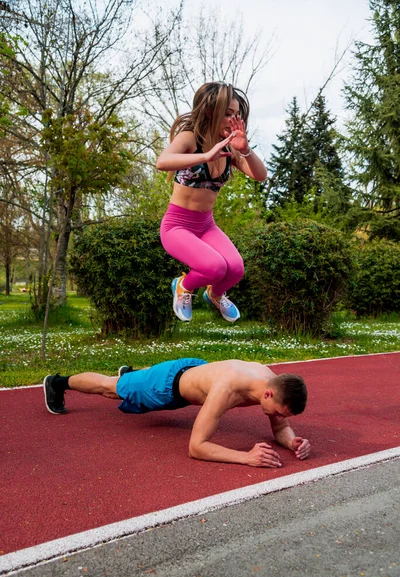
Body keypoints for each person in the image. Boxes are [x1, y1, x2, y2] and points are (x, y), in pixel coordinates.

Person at [43, 358, 310, 468]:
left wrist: (291, 441)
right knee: (111, 388)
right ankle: (57, 382)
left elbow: (280, 428)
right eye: (278, 412)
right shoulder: (227, 390)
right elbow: (196, 447)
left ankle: (134, 378)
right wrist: (246, 457)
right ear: (267, 395)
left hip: (196, 373)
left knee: (127, 384)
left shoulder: (275, 384)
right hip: (168, 386)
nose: (279, 417)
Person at [156, 82, 267, 323]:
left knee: (235, 269)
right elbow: (162, 161)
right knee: (215, 267)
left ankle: (215, 295)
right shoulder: (190, 139)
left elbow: (260, 175)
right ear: (210, 112)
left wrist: (245, 149)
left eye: (236, 115)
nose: (233, 120)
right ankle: (183, 286)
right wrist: (206, 156)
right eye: (227, 114)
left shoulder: (230, 150)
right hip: (177, 226)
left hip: (206, 225)